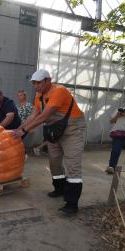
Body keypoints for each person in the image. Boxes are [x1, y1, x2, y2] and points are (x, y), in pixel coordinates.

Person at [14, 69, 86, 215]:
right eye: (34, 83)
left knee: (72, 164)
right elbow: (34, 115)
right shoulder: (39, 95)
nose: (36, 86)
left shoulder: (59, 91)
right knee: (54, 161)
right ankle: (59, 189)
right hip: (55, 129)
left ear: (48, 80)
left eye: (39, 82)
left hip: (72, 129)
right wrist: (19, 128)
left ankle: (72, 204)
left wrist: (25, 131)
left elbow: (44, 116)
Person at [105, 107, 125, 174]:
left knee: (116, 150)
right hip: (118, 134)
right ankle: (112, 167)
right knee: (115, 150)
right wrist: (118, 115)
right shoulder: (118, 110)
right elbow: (111, 121)